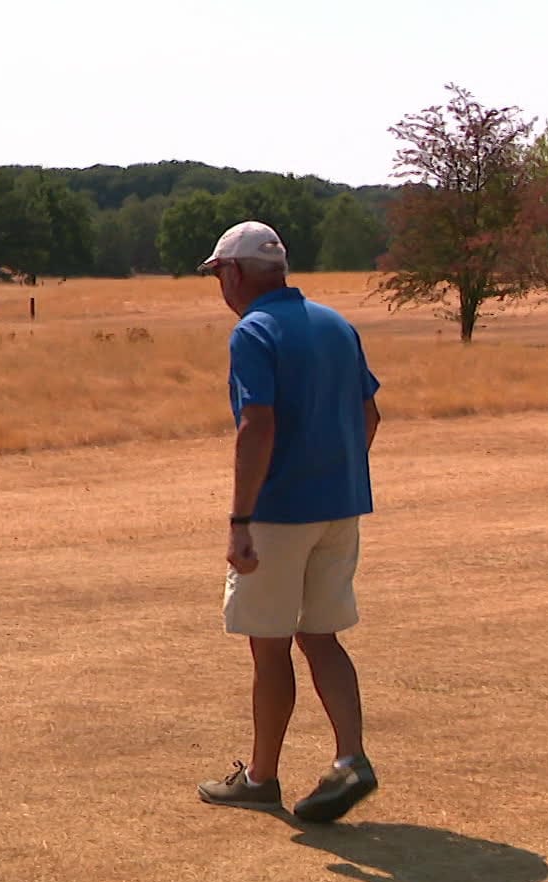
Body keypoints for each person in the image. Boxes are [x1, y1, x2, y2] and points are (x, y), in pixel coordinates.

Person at [192, 221, 381, 823]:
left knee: (269, 646)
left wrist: (240, 520)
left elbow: (257, 425)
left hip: (279, 513)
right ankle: (350, 758)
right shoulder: (336, 324)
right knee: (321, 635)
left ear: (236, 273)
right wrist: (334, 474)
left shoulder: (253, 331)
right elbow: (370, 414)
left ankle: (261, 777)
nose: (220, 285)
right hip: (339, 507)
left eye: (219, 273)